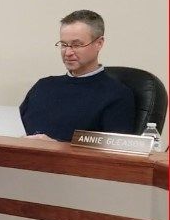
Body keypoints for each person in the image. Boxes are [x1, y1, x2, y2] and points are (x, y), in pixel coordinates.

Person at [17, 10, 134, 140]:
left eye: (76, 45)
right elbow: (17, 128)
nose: (68, 52)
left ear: (99, 43)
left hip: (66, 160)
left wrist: (55, 147)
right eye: (63, 45)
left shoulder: (117, 95)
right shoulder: (43, 86)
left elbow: (114, 153)